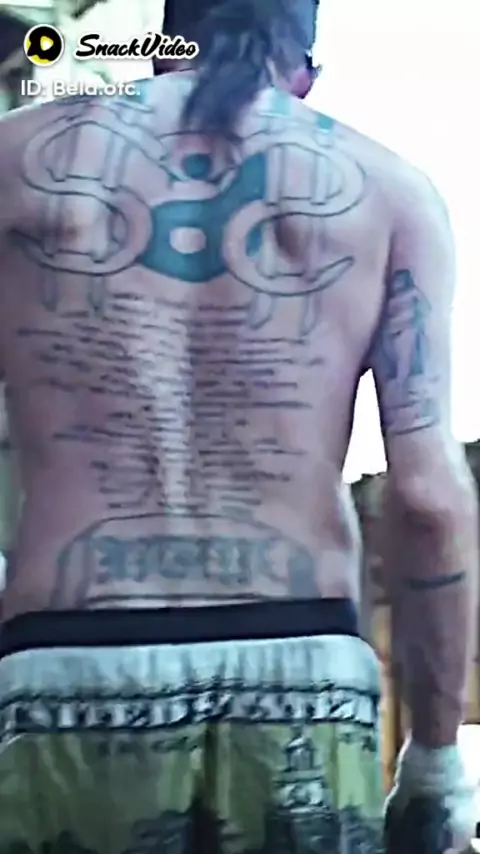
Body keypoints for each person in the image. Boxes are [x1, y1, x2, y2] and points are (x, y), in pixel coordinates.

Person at [0, 0, 477, 851]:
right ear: (306, 73)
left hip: (65, 653)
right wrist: (436, 764)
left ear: (161, 48)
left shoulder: (18, 160)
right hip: (304, 669)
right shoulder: (391, 191)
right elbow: (429, 502)